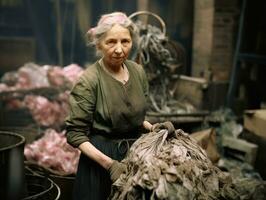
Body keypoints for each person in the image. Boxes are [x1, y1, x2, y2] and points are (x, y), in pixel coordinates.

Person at [65, 12, 154, 200]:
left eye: (126, 41)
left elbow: (133, 115)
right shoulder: (89, 81)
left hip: (135, 157)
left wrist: (153, 129)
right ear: (98, 44)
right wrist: (110, 165)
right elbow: (75, 134)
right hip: (100, 161)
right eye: (111, 42)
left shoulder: (137, 72)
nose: (119, 49)